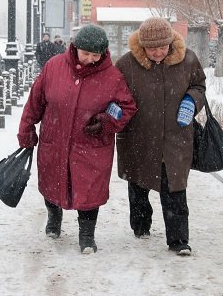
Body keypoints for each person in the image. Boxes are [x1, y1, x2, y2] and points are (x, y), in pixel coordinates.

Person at [17, 24, 137, 254]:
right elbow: (35, 102)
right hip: (55, 138)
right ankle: (54, 217)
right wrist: (26, 130)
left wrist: (105, 122)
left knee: (89, 190)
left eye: (96, 55)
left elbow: (127, 107)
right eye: (86, 53)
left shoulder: (112, 77)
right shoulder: (54, 67)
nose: (90, 59)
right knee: (52, 182)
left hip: (92, 145)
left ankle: (87, 235)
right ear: (75, 48)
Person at [115, 17, 206, 256]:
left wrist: (191, 101)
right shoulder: (127, 64)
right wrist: (113, 108)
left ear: (170, 42)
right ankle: (141, 225)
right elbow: (113, 93)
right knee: (138, 184)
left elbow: (200, 87)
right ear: (142, 46)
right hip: (138, 137)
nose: (157, 53)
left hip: (175, 139)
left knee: (174, 188)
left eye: (162, 47)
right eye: (152, 49)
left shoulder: (188, 59)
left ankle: (178, 240)